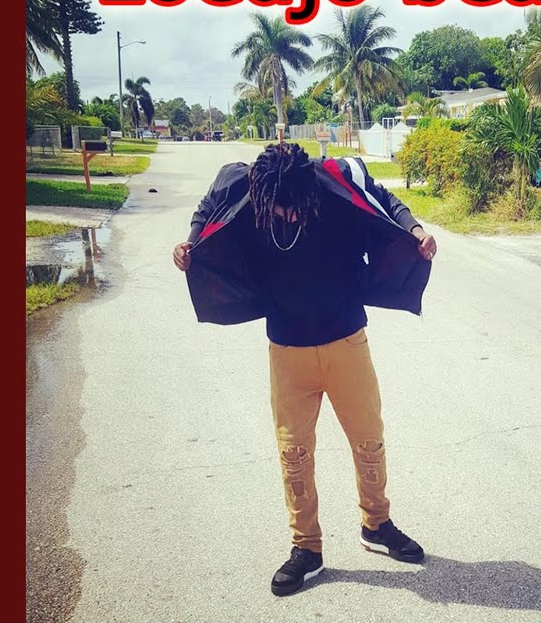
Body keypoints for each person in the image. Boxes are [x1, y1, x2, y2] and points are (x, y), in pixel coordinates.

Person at [173, 143, 438, 596]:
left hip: (347, 341)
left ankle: (376, 524)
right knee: (293, 453)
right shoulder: (243, 185)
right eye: (280, 209)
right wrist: (191, 241)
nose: (290, 215)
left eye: (297, 206)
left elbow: (382, 198)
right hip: (287, 350)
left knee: (369, 441)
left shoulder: (333, 178)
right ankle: (307, 548)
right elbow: (207, 206)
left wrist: (415, 230)